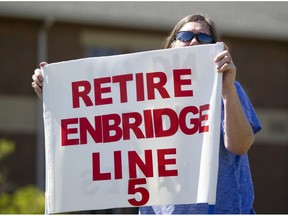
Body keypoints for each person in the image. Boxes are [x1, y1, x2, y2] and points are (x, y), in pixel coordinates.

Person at [32, 14, 261, 214]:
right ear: (171, 45)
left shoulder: (227, 88)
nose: (193, 41)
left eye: (204, 38)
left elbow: (239, 146)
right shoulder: (141, 94)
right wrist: (57, 97)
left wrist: (228, 89)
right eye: (185, 36)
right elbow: (96, 127)